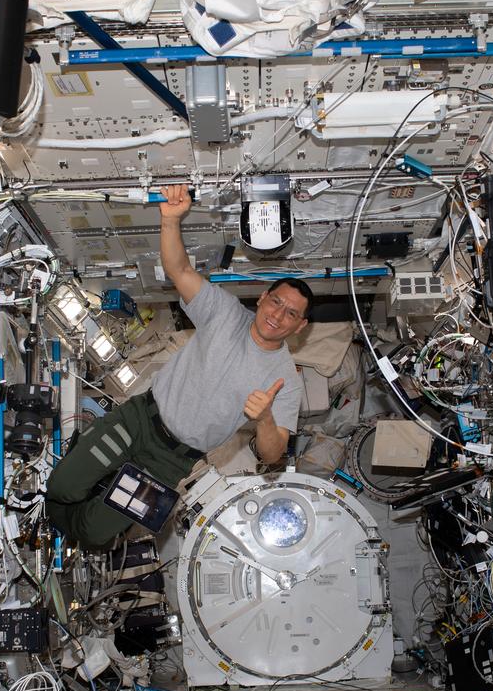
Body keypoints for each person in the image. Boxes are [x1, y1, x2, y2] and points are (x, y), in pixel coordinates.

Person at [45, 184, 313, 549]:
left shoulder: (285, 380)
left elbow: (273, 452)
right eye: (276, 302)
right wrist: (170, 220)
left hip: (170, 464)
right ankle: (78, 484)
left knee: (94, 533)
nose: (278, 315)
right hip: (138, 422)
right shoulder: (222, 312)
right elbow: (179, 268)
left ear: (300, 327)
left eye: (291, 314)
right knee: (61, 487)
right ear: (263, 298)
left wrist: (264, 419)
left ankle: (74, 512)